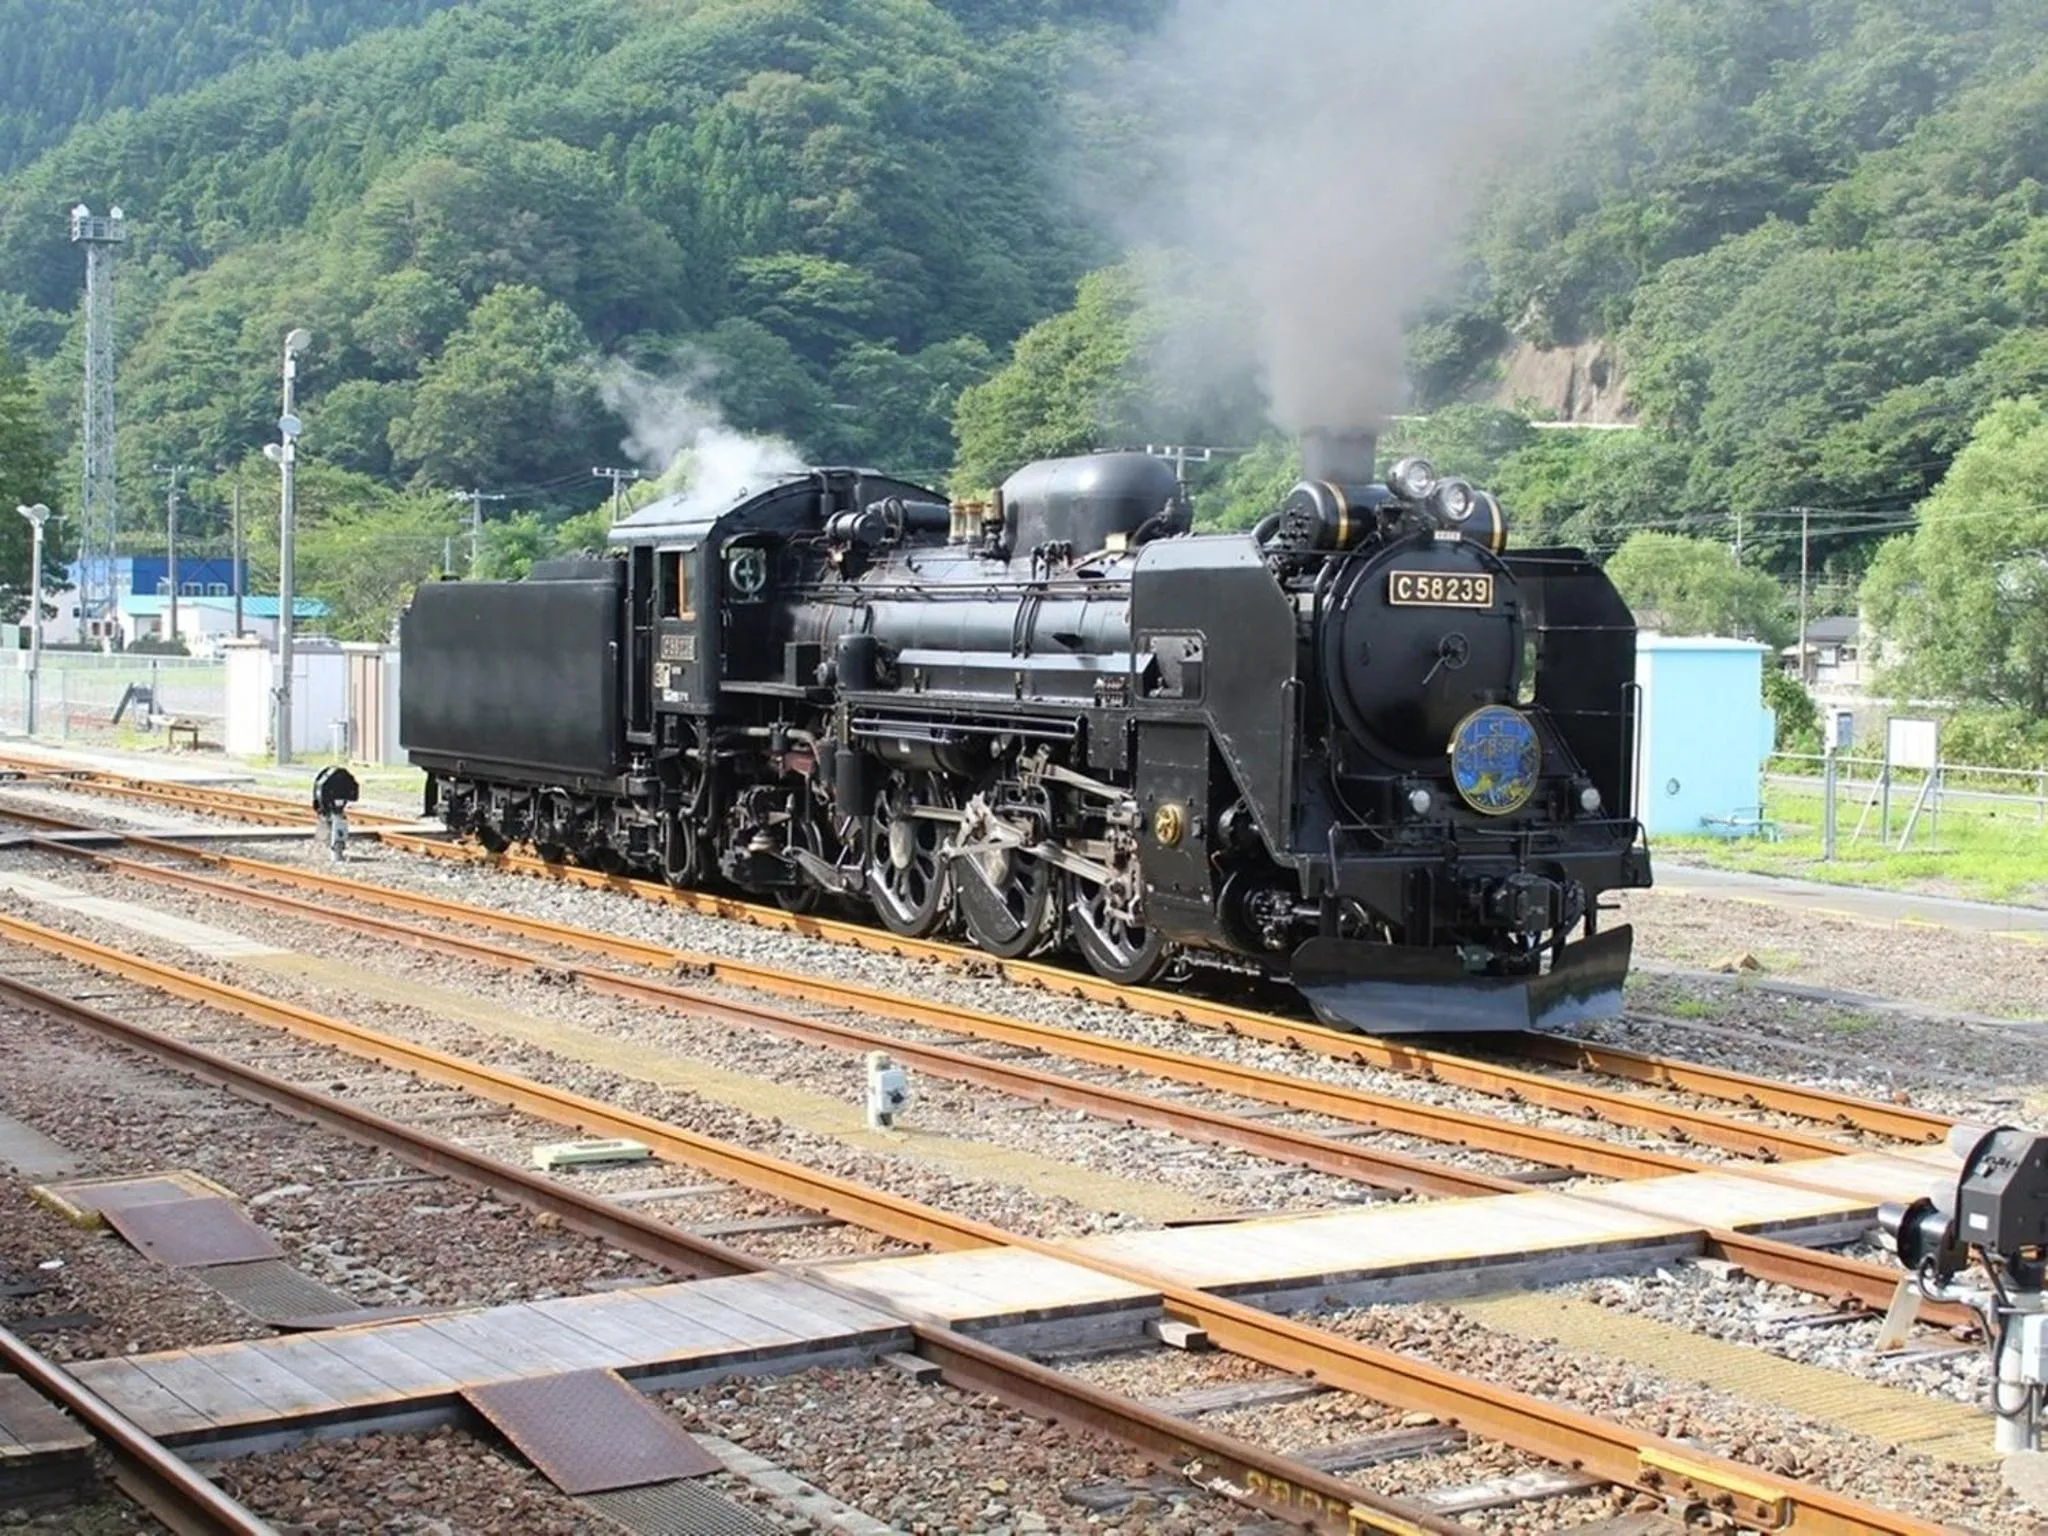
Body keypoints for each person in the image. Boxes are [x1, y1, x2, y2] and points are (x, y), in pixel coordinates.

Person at [311, 764, 360, 862]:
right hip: (329, 801)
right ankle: (335, 852)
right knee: (337, 822)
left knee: (337, 823)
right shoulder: (331, 784)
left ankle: (336, 852)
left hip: (329, 800)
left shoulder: (330, 785)